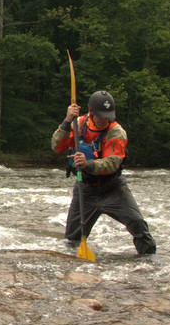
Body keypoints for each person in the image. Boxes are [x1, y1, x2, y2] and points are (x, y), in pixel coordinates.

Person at [51, 90, 156, 254]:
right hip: (85, 190)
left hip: (113, 189)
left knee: (137, 223)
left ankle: (148, 260)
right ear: (91, 112)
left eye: (107, 115)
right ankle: (71, 268)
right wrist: (67, 120)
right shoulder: (78, 124)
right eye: (101, 115)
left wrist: (87, 164)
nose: (104, 119)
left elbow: (112, 164)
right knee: (71, 238)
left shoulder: (116, 132)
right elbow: (57, 147)